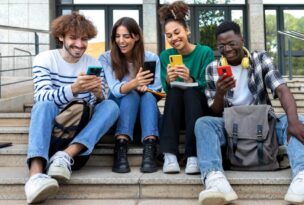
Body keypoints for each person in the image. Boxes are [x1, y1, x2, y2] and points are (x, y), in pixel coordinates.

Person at [195, 21, 304, 205]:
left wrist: (292, 121)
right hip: (231, 127)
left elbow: (282, 90)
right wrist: (220, 92)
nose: (227, 49)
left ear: (242, 40)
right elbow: (215, 111)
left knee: (297, 119)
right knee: (203, 123)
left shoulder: (260, 59)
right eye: (222, 46)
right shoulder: (212, 69)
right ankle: (215, 180)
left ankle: (303, 179)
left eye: (231, 44)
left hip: (263, 125)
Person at [25, 12, 119, 204]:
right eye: (73, 38)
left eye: (84, 39)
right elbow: (42, 96)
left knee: (111, 105)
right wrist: (74, 89)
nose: (79, 44)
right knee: (43, 105)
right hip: (52, 132)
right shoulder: (44, 59)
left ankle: (64, 157)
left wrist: (98, 94)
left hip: (77, 138)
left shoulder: (93, 63)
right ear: (61, 37)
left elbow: (96, 106)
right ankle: (35, 176)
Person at [158, 1, 214, 174]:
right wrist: (168, 80)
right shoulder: (165, 55)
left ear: (187, 30)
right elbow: (166, 91)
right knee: (175, 90)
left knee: (190, 91)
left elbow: (210, 86)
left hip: (200, 109)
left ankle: (193, 155)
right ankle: (170, 155)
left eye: (177, 32)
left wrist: (190, 79)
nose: (173, 38)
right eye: (169, 35)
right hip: (177, 111)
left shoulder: (205, 52)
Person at [98, 17, 161, 174]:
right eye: (117, 37)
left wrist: (146, 88)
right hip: (119, 115)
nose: (121, 41)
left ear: (136, 37)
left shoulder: (151, 58)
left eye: (126, 36)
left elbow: (157, 89)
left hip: (145, 115)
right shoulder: (106, 58)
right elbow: (114, 89)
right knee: (130, 94)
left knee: (147, 96)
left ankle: (150, 148)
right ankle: (121, 146)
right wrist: (135, 83)